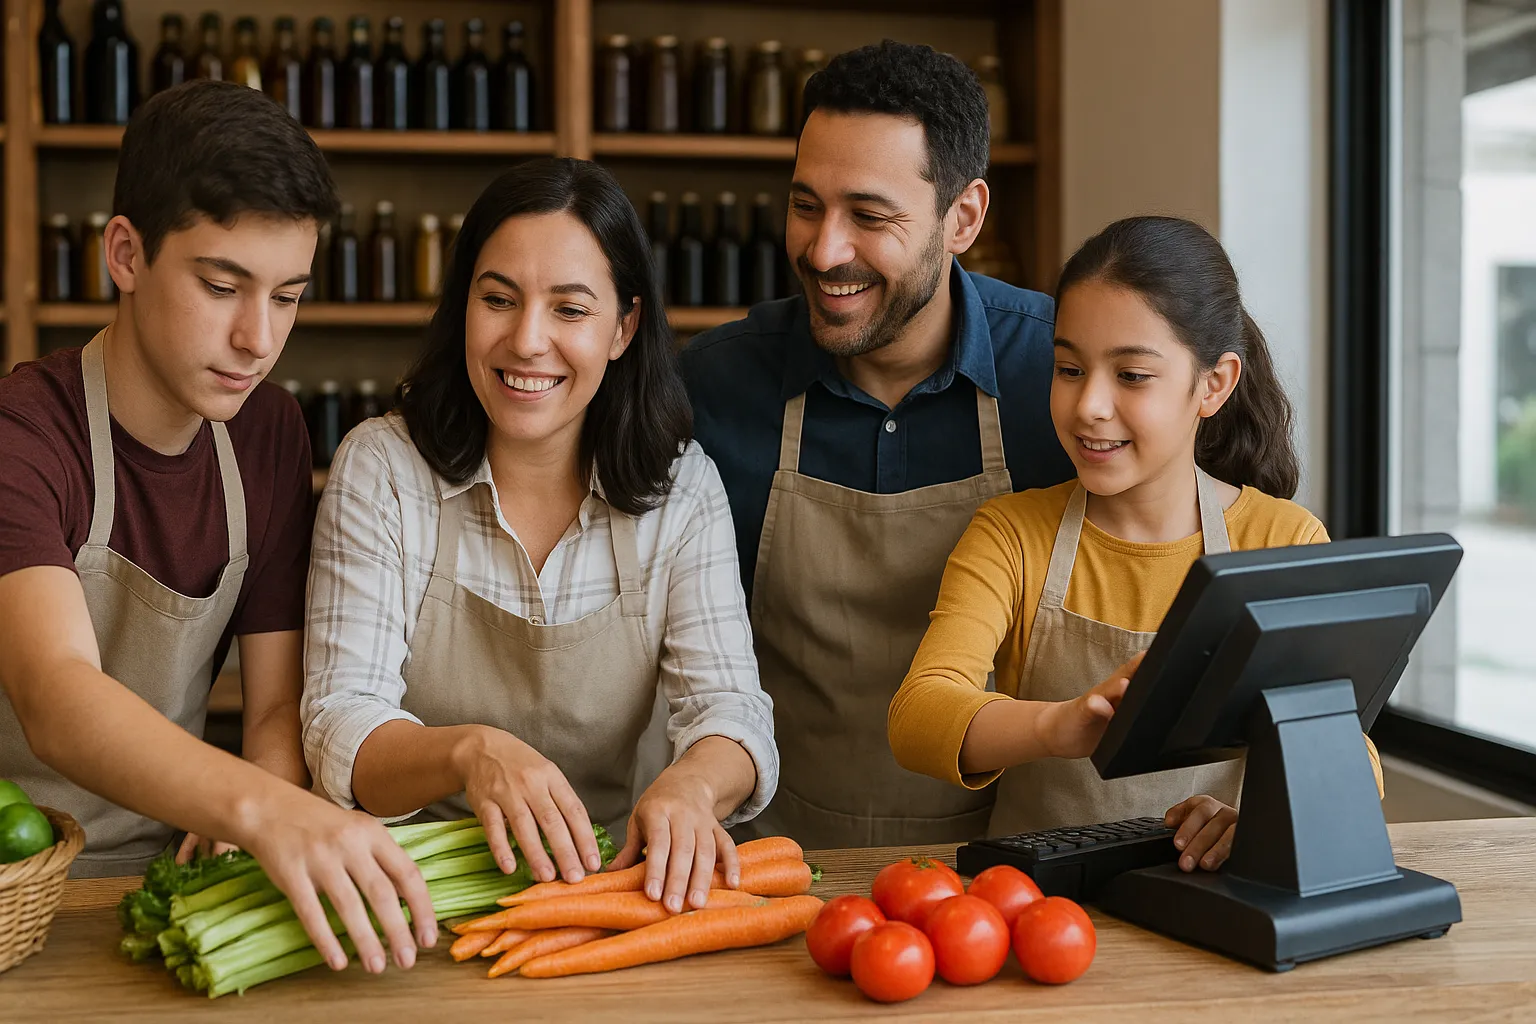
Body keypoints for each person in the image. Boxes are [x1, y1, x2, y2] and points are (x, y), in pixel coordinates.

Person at [0, 80, 435, 974]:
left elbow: (275, 704)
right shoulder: (23, 432)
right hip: (20, 888)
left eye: (287, 296)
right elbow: (55, 694)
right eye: (222, 285)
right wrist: (265, 809)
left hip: (177, 874)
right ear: (125, 253)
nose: (257, 338)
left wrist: (254, 811)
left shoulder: (269, 434)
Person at [301, 158, 777, 915]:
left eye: (569, 310)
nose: (526, 341)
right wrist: (470, 751)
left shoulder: (681, 490)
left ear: (623, 327)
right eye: (498, 299)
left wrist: (693, 784)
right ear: (464, 307)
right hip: (409, 898)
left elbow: (730, 708)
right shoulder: (384, 469)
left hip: (607, 896)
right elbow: (340, 727)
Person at [888, 216, 1385, 871]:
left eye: (1131, 375)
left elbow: (1350, 755)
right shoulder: (1011, 535)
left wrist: (1266, 817)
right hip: (1041, 915)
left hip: (1215, 911)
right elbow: (919, 716)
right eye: (1069, 368)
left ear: (1214, 384)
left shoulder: (1282, 539)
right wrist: (1055, 726)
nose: (1089, 404)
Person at [680, 41, 1074, 848]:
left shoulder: (1061, 375)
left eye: (868, 215)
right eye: (805, 204)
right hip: (775, 865)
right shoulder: (710, 387)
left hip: (1012, 869)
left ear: (963, 217)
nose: (825, 251)